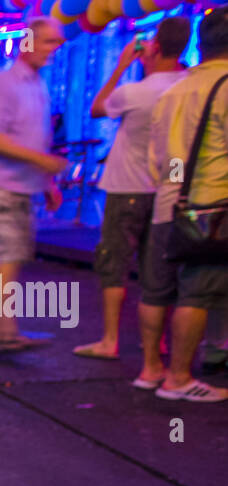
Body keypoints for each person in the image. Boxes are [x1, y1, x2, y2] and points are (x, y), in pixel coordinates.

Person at [74, 17, 190, 361]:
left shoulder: (135, 92)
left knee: (115, 264)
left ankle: (110, 339)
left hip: (126, 186)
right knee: (159, 268)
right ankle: (158, 343)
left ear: (154, 47)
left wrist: (123, 65)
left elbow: (97, 108)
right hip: (165, 190)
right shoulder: (185, 88)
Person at [136, 4, 228, 402]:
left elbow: (163, 160)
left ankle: (150, 370)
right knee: (198, 293)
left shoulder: (173, 91)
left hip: (168, 205)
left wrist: (177, 191)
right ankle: (178, 379)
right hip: (211, 209)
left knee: (156, 290)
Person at [0, 17, 68, 352]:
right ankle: (7, 331)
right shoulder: (5, 83)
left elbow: (32, 139)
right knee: (7, 256)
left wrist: (46, 182)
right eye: (50, 42)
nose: (56, 48)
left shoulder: (36, 84)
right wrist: (43, 164)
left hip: (21, 185)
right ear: (29, 44)